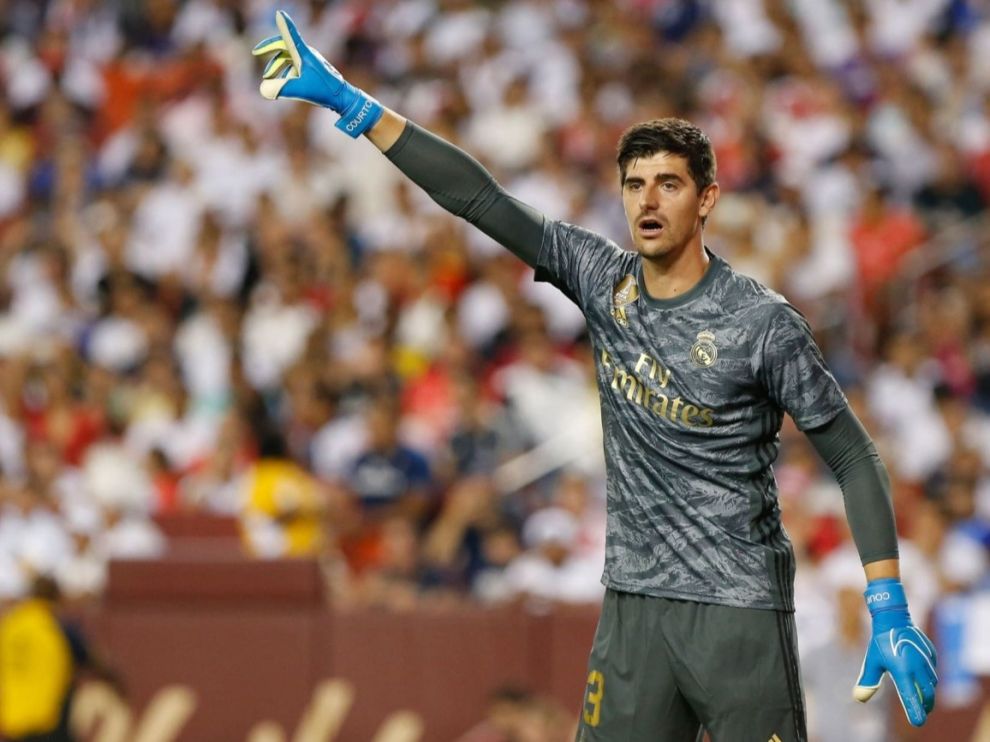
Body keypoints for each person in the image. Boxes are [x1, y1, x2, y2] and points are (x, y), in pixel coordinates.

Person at [251, 12, 938, 740]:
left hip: (737, 615)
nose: (647, 200)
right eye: (634, 183)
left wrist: (886, 597)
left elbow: (853, 455)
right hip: (634, 609)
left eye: (668, 184)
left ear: (706, 199)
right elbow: (479, 200)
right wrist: (353, 105)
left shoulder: (761, 323)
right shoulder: (601, 279)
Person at [0, 576, 122, 742]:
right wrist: (116, 680)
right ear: (56, 598)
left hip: (12, 720)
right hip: (48, 720)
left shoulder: (9, 625)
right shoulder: (55, 625)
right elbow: (92, 658)